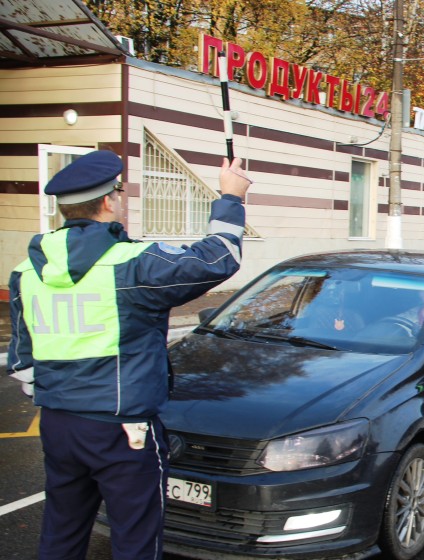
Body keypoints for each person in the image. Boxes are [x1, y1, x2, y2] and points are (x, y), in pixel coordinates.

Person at [6, 150, 252, 560]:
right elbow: (220, 257)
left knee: (61, 532)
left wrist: (64, 398)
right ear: (108, 201)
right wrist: (231, 198)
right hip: (123, 431)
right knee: (135, 540)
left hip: (58, 424)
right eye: (119, 192)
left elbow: (22, 361)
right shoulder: (132, 264)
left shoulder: (26, 272)